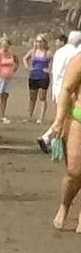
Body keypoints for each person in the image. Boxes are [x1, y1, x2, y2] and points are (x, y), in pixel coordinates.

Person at [45, 48, 81, 230]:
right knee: (74, 172)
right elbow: (66, 89)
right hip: (78, 119)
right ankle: (64, 206)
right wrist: (59, 121)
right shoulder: (79, 59)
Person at [23, 33, 53, 121]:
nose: (38, 43)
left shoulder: (48, 53)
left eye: (40, 41)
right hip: (33, 76)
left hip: (43, 76)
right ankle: (30, 116)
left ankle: (41, 117)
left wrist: (49, 69)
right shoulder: (33, 51)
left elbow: (55, 61)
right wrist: (27, 67)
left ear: (44, 42)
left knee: (42, 97)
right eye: (37, 41)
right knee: (32, 97)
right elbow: (25, 58)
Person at [0, 36, 16, 123]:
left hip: (8, 77)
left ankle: (2, 115)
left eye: (6, 45)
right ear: (1, 45)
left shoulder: (10, 53)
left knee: (5, 96)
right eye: (3, 45)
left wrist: (13, 69)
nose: (5, 47)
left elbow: (15, 61)